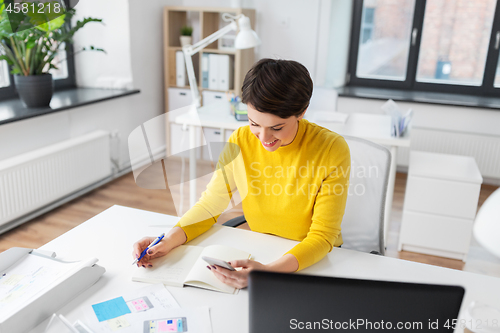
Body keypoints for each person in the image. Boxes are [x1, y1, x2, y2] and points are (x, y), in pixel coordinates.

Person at [132, 58, 350, 289]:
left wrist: (269, 273)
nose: (264, 138)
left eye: (277, 128)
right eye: (254, 123)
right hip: (261, 249)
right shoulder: (241, 140)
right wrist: (168, 240)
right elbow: (211, 204)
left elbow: (323, 236)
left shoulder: (331, 149)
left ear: (302, 112)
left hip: (311, 261)